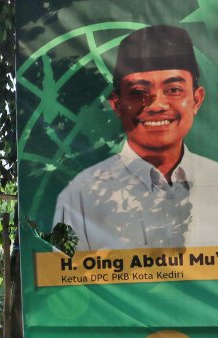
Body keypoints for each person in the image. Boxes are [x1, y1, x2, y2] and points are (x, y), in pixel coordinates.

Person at [54, 25, 218, 251]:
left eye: (173, 90)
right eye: (139, 92)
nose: (157, 105)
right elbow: (64, 280)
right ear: (117, 105)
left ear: (196, 100)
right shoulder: (80, 196)